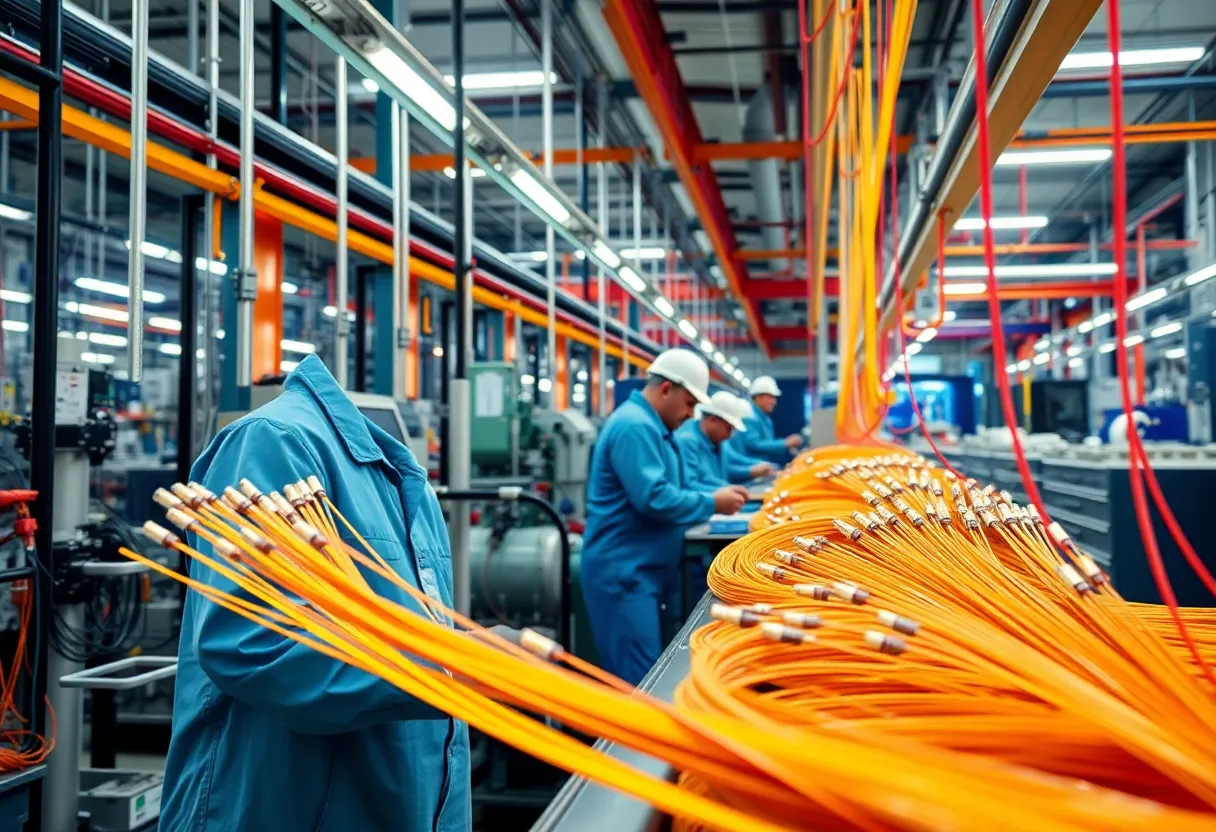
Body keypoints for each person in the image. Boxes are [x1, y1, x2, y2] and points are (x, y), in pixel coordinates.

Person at [160, 354, 470, 831]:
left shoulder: (401, 477)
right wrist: (451, 665)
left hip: (402, 804)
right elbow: (251, 643)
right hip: (290, 807)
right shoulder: (276, 441)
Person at [580, 350, 748, 685]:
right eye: (688, 403)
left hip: (641, 571)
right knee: (639, 684)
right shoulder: (634, 427)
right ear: (666, 389)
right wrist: (712, 503)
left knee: (647, 673)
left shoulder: (656, 429)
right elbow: (654, 497)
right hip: (624, 573)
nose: (691, 414)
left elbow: (678, 486)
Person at [675, 391, 776, 491]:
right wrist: (727, 491)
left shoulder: (720, 443)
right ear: (712, 420)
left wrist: (762, 465)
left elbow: (733, 461)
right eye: (728, 429)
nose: (729, 436)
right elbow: (690, 484)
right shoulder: (688, 441)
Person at [729, 375, 803, 465]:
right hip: (753, 467)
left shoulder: (765, 419)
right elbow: (754, 444)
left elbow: (767, 444)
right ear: (759, 397)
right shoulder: (749, 415)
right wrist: (785, 443)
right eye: (771, 397)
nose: (774, 402)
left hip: (764, 467)